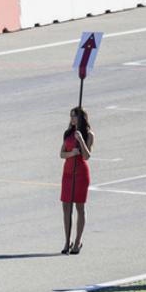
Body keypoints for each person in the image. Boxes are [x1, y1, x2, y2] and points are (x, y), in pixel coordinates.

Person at [60, 106, 94, 255]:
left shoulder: (88, 134)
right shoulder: (68, 133)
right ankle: (67, 241)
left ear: (81, 118)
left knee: (79, 207)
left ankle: (78, 241)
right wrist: (71, 153)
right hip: (68, 172)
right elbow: (61, 154)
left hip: (80, 173)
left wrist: (81, 140)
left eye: (74, 116)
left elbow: (87, 156)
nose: (72, 119)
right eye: (71, 116)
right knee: (66, 207)